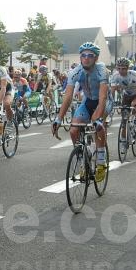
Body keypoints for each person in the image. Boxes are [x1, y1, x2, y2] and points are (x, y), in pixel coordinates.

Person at [52, 42, 110, 182]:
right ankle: (82, 160)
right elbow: (68, 97)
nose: (86, 58)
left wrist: (97, 117)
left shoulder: (102, 70)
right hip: (88, 101)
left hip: (103, 102)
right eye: (83, 55)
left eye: (90, 55)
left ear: (96, 58)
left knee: (98, 127)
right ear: (80, 57)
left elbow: (102, 97)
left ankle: (101, 162)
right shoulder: (75, 72)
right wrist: (58, 119)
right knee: (73, 130)